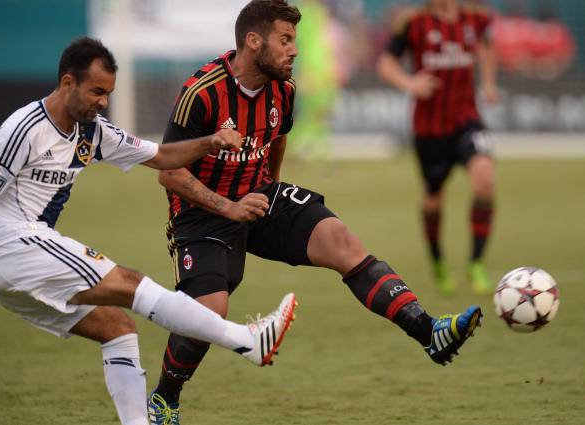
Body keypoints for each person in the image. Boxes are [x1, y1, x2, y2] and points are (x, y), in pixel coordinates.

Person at [150, 1, 483, 423]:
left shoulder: (284, 90)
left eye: (295, 40)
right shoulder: (201, 92)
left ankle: (429, 331)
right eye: (285, 40)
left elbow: (278, 140)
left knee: (341, 241)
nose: (295, 50)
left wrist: (269, 189)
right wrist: (230, 208)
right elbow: (168, 172)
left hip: (257, 197)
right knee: (209, 311)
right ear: (254, 42)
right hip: (202, 213)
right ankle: (165, 399)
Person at [0, 37, 297, 425]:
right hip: (9, 243)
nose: (104, 102)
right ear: (68, 83)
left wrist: (210, 141)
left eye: (108, 93)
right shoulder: (24, 129)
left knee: (117, 328)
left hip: (18, 268)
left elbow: (162, 156)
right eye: (96, 91)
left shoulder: (92, 131)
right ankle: (246, 341)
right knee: (129, 283)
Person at [377, 0, 499, 295]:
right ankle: (438, 262)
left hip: (468, 120)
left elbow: (487, 47)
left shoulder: (476, 19)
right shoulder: (414, 23)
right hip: (430, 129)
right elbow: (385, 64)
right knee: (433, 200)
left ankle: (476, 264)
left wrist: (489, 83)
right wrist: (410, 83)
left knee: (485, 181)